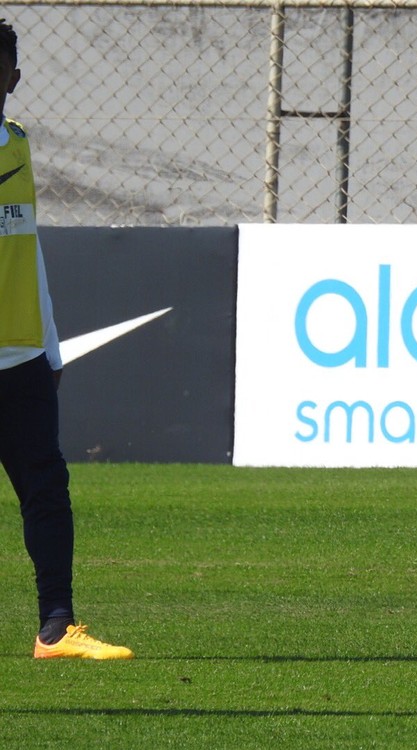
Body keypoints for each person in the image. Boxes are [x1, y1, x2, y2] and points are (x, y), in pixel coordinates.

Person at [0, 19, 133, 660]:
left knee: (47, 491)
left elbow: (29, 252)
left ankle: (57, 627)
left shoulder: (17, 145)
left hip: (21, 358)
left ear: (12, 79)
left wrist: (50, 344)